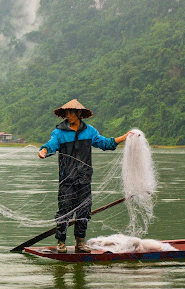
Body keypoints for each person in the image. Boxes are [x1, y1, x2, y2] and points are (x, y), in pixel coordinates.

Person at [38, 99, 132, 253]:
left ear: (79, 113)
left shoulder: (90, 131)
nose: (68, 115)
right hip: (67, 179)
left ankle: (80, 243)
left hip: (84, 179)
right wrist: (43, 151)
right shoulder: (59, 132)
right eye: (66, 113)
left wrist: (124, 137)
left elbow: (105, 143)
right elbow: (51, 145)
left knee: (84, 211)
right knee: (64, 210)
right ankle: (61, 242)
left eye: (71, 112)